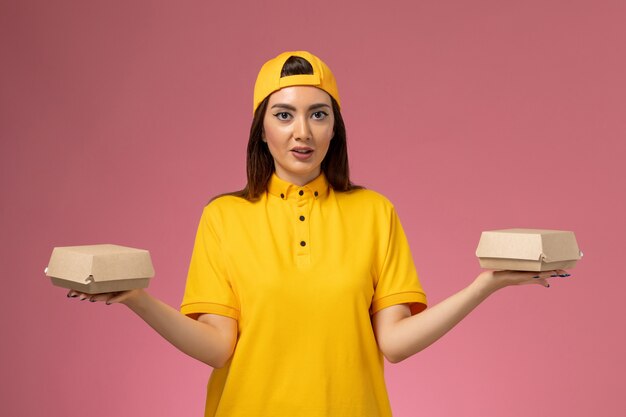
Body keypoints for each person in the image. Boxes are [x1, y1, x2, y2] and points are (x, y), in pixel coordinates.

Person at [68, 51, 568, 417]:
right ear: (262, 129)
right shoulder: (224, 217)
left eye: (318, 114)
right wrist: (136, 298)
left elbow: (393, 342)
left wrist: (486, 285)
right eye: (283, 115)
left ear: (335, 129)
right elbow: (219, 348)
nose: (301, 132)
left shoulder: (375, 213)